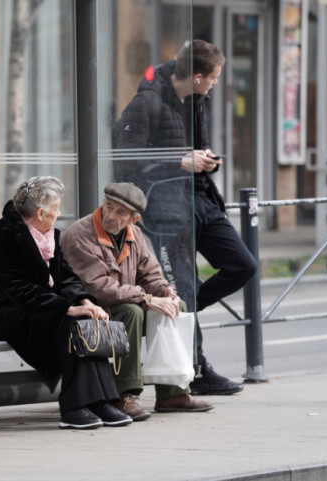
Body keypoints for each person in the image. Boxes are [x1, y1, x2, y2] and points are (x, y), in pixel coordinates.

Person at [111, 39, 257, 396]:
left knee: (243, 265)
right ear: (196, 76)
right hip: (164, 208)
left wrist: (204, 160)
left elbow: (189, 151)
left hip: (201, 198)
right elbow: (124, 156)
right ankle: (196, 368)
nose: (216, 83)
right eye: (214, 77)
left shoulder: (197, 101)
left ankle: (177, 310)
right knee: (182, 286)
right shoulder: (147, 102)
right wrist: (179, 160)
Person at [0, 176, 132, 430]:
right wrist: (67, 308)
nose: (59, 214)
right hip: (8, 313)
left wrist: (84, 301)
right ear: (40, 213)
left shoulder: (48, 235)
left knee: (87, 319)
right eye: (56, 208)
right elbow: (18, 290)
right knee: (71, 324)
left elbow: (67, 277)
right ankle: (73, 407)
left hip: (42, 307)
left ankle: (99, 401)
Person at [61, 182, 213, 419]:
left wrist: (165, 292)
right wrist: (147, 299)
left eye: (120, 212)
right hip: (92, 313)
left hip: (121, 306)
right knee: (132, 311)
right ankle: (125, 394)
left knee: (176, 307)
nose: (111, 215)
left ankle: (172, 392)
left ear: (134, 218)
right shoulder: (80, 234)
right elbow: (99, 288)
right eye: (108, 206)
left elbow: (150, 274)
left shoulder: (135, 235)